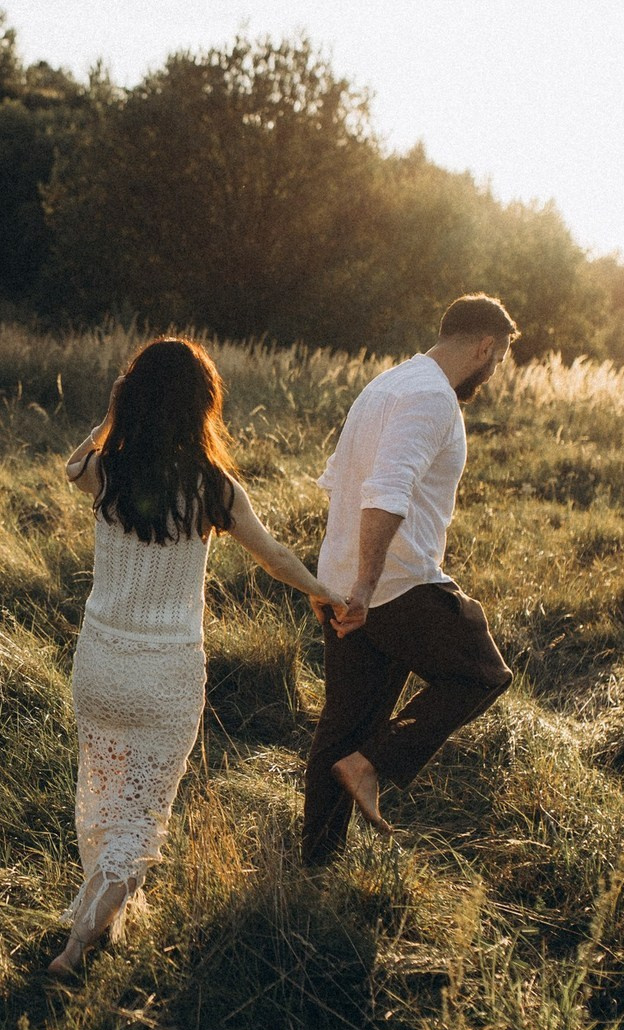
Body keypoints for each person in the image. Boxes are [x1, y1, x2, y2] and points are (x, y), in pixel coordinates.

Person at [48, 337, 344, 978]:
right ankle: (77, 946)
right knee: (142, 813)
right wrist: (321, 592)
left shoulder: (109, 473)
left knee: (103, 799)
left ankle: (102, 916)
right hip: (167, 676)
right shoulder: (215, 489)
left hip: (99, 662)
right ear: (201, 407)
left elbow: (73, 466)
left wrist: (111, 414)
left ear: (136, 400)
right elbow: (275, 557)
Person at [301, 293, 518, 864]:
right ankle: (372, 764)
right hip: (392, 585)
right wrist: (368, 587)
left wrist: (339, 579)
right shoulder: (433, 398)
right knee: (482, 673)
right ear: (484, 346)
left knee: (344, 724)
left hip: (344, 580)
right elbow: (385, 491)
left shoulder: (385, 385)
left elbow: (338, 484)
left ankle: (315, 868)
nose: (491, 376)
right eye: (495, 364)